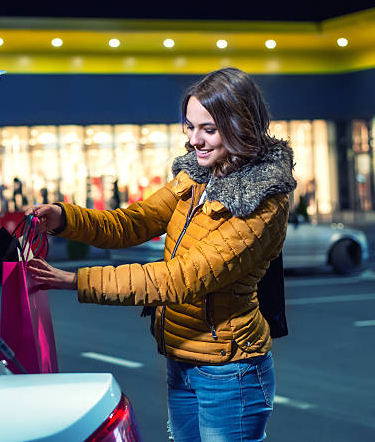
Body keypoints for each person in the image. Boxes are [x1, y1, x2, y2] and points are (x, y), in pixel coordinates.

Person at [27, 67, 296, 441]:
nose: (194, 141)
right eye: (189, 126)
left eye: (208, 129)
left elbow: (182, 279)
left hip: (229, 371)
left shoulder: (263, 202)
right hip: (182, 358)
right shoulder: (196, 178)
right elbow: (132, 223)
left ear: (240, 125)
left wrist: (75, 281)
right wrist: (63, 218)